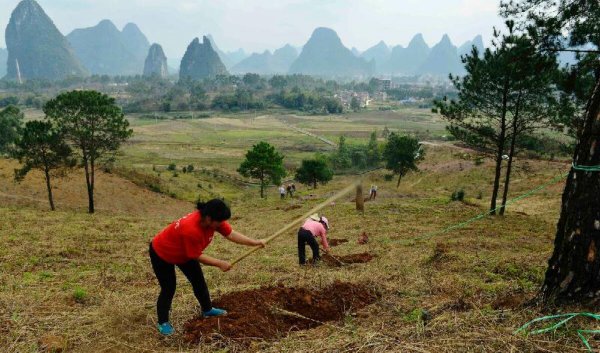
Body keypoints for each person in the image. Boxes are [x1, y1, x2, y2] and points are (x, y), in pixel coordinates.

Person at [149, 199, 266, 336]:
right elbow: (196, 255)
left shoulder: (213, 221)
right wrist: (219, 263)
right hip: (162, 253)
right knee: (169, 288)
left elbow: (232, 234)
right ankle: (163, 322)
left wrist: (255, 242)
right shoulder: (191, 229)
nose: (222, 224)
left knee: (199, 282)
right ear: (209, 218)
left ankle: (207, 309)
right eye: (220, 221)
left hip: (184, 254)